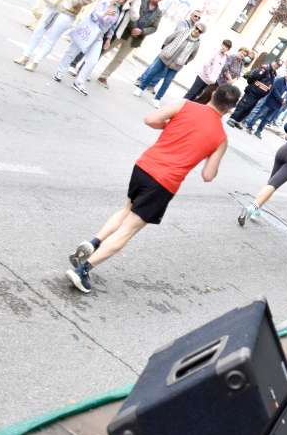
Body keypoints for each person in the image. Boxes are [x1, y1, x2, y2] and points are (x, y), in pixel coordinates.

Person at [66, 84, 240, 293]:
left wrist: (169, 126)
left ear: (213, 94)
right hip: (164, 182)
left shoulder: (186, 105)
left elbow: (150, 119)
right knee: (128, 230)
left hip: (144, 166)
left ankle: (94, 242)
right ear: (230, 108)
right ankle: (83, 270)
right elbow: (208, 176)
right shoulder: (221, 138)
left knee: (126, 210)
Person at [16, 0, 104, 71]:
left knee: (50, 39)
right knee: (38, 31)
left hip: (66, 14)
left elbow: (76, 4)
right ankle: (25, 56)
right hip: (53, 8)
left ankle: (36, 62)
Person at [52, 0, 127, 95]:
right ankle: (60, 71)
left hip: (99, 36)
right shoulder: (104, 3)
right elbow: (93, 16)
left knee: (93, 60)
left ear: (123, 2)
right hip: (89, 30)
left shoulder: (117, 12)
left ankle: (79, 82)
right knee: (72, 51)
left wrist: (109, 39)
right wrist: (105, 13)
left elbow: (112, 27)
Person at [69, 0, 143, 75]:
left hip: (116, 28)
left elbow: (135, 17)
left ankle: (82, 71)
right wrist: (127, 1)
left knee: (99, 50)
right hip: (104, 22)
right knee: (88, 43)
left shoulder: (137, 1)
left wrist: (132, 3)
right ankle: (73, 64)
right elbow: (110, 3)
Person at [95, 0, 162, 86]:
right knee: (104, 49)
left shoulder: (158, 13)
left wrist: (141, 31)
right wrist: (134, 27)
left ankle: (103, 77)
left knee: (119, 59)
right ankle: (87, 67)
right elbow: (131, 12)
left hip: (135, 39)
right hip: (124, 32)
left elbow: (154, 28)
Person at [134, 21, 205, 107]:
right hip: (165, 57)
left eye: (200, 31)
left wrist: (184, 62)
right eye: (196, 28)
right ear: (194, 27)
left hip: (176, 65)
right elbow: (169, 38)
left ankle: (157, 98)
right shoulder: (183, 32)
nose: (197, 31)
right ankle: (140, 89)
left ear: (201, 33)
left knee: (167, 82)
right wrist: (165, 49)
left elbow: (192, 55)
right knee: (152, 73)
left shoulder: (197, 43)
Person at [243, 67, 287, 138]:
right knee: (260, 114)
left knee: (266, 119)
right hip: (270, 102)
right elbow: (274, 90)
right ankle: (249, 126)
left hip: (277, 105)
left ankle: (258, 131)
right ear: (286, 74)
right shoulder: (280, 80)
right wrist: (281, 100)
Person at [228, 60, 279, 126]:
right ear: (273, 62)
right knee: (243, 105)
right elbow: (253, 77)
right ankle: (232, 119)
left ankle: (238, 121)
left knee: (249, 108)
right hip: (253, 91)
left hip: (259, 95)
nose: (277, 66)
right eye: (276, 64)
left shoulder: (273, 73)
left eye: (278, 65)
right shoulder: (265, 68)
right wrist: (253, 87)